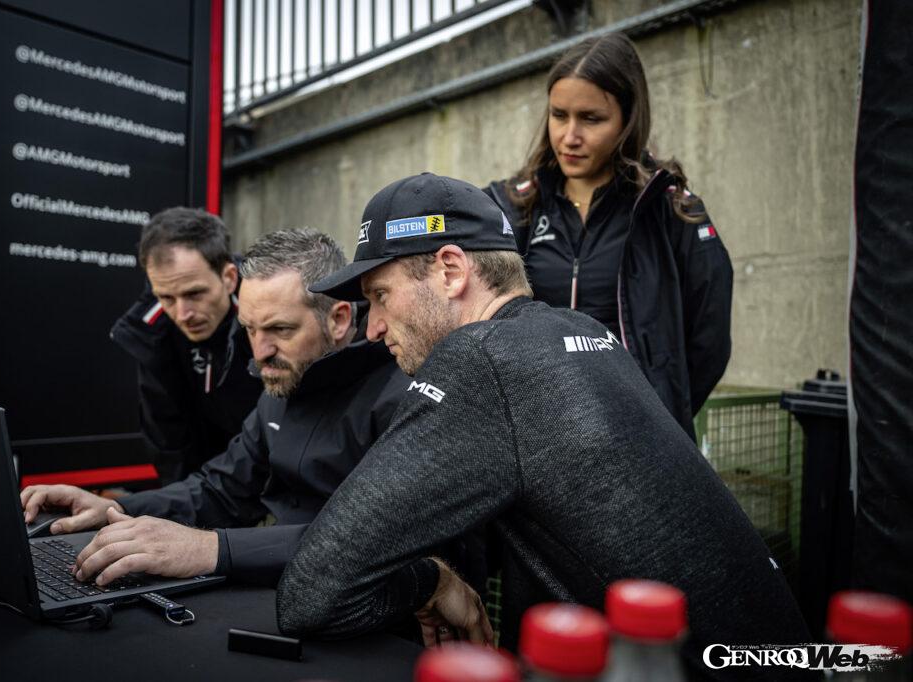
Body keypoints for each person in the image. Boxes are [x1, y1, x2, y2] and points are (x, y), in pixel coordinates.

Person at [277, 174, 812, 680]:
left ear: (450, 270)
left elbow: (312, 591)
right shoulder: (579, 330)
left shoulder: (482, 358)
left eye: (381, 295)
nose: (373, 328)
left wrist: (430, 580)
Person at [22, 229, 408, 586]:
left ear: (340, 319)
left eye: (280, 330)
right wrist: (115, 509)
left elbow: (367, 540)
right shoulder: (284, 379)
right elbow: (221, 491)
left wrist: (209, 549)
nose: (260, 352)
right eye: (250, 330)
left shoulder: (396, 397)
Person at [483, 33, 733, 440]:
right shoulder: (514, 205)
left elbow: (710, 339)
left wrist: (657, 412)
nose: (569, 136)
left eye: (591, 119)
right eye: (559, 115)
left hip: (636, 440)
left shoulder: (669, 209)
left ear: (628, 119)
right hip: (536, 436)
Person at [110, 207, 263, 484]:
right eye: (166, 297)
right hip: (204, 493)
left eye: (195, 294)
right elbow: (169, 445)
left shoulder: (271, 309)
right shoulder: (149, 334)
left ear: (228, 278)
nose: (182, 314)